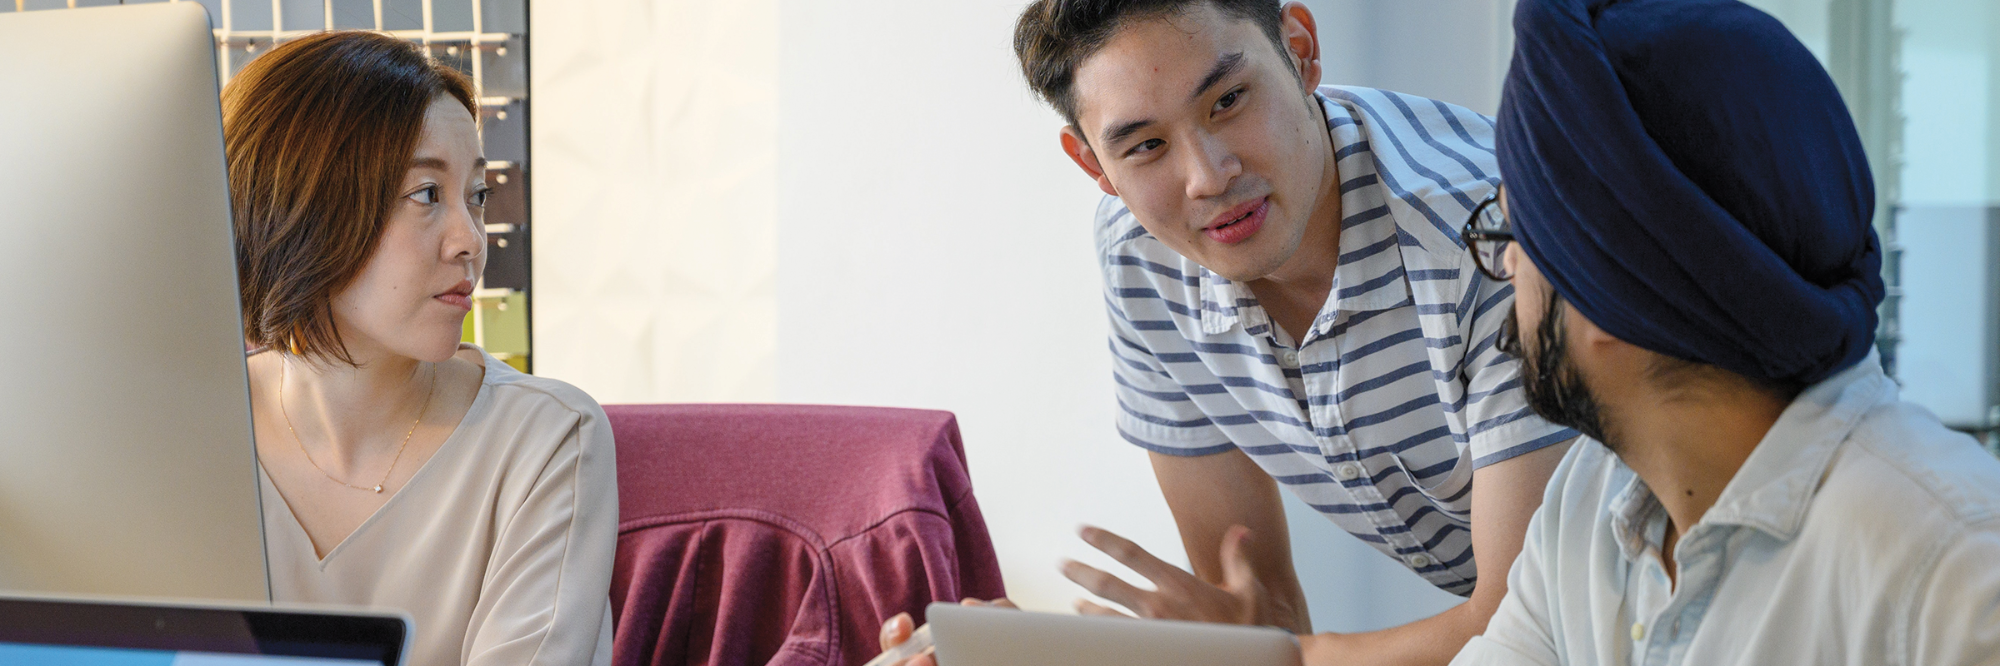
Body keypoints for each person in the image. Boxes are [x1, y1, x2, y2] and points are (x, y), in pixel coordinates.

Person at [885, 1, 1576, 664]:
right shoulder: (1142, 254)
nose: (1208, 178)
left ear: (1300, 51)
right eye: (1146, 145)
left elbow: (1529, 632)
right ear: (1095, 164)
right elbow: (1255, 618)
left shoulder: (1490, 238)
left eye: (1228, 101)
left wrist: (1275, 657)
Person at [1448, 0, 2000, 664]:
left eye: (1516, 233)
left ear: (1604, 296)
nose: (1508, 266)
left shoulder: (1954, 577)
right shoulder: (1588, 500)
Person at [223, 32, 617, 666]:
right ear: (298, 207)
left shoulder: (545, 438)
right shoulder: (187, 427)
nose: (471, 241)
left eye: (477, 197)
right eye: (427, 194)